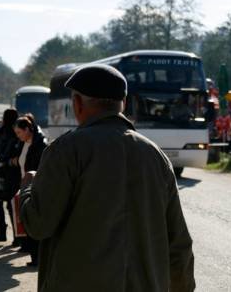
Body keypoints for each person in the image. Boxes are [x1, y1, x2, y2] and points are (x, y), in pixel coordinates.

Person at [20, 64, 195, 291]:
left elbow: (38, 224)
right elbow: (179, 245)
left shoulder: (65, 150)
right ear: (123, 103)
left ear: (78, 104)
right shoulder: (155, 156)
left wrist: (28, 188)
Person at [13, 115, 47, 266]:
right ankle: (32, 252)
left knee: (31, 219)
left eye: (19, 132)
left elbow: (40, 167)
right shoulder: (25, 143)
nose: (18, 136)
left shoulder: (40, 144)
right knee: (25, 218)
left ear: (27, 130)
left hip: (34, 185)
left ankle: (36, 257)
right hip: (24, 184)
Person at [0, 109, 21, 243]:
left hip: (5, 170)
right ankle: (11, 235)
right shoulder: (9, 131)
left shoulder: (7, 131)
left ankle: (7, 234)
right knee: (6, 203)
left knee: (3, 202)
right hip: (7, 170)